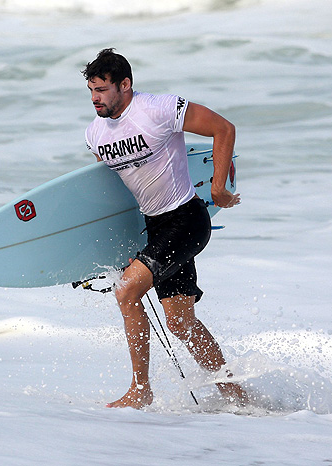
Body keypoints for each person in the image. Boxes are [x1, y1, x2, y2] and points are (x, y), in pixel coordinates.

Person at [82, 48, 247, 409]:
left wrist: (218, 187)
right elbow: (117, 197)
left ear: (124, 85)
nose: (95, 98)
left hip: (187, 219)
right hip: (155, 227)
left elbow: (223, 128)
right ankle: (235, 393)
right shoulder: (95, 134)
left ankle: (141, 390)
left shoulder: (158, 108)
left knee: (126, 292)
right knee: (180, 322)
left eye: (102, 90)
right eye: (91, 91)